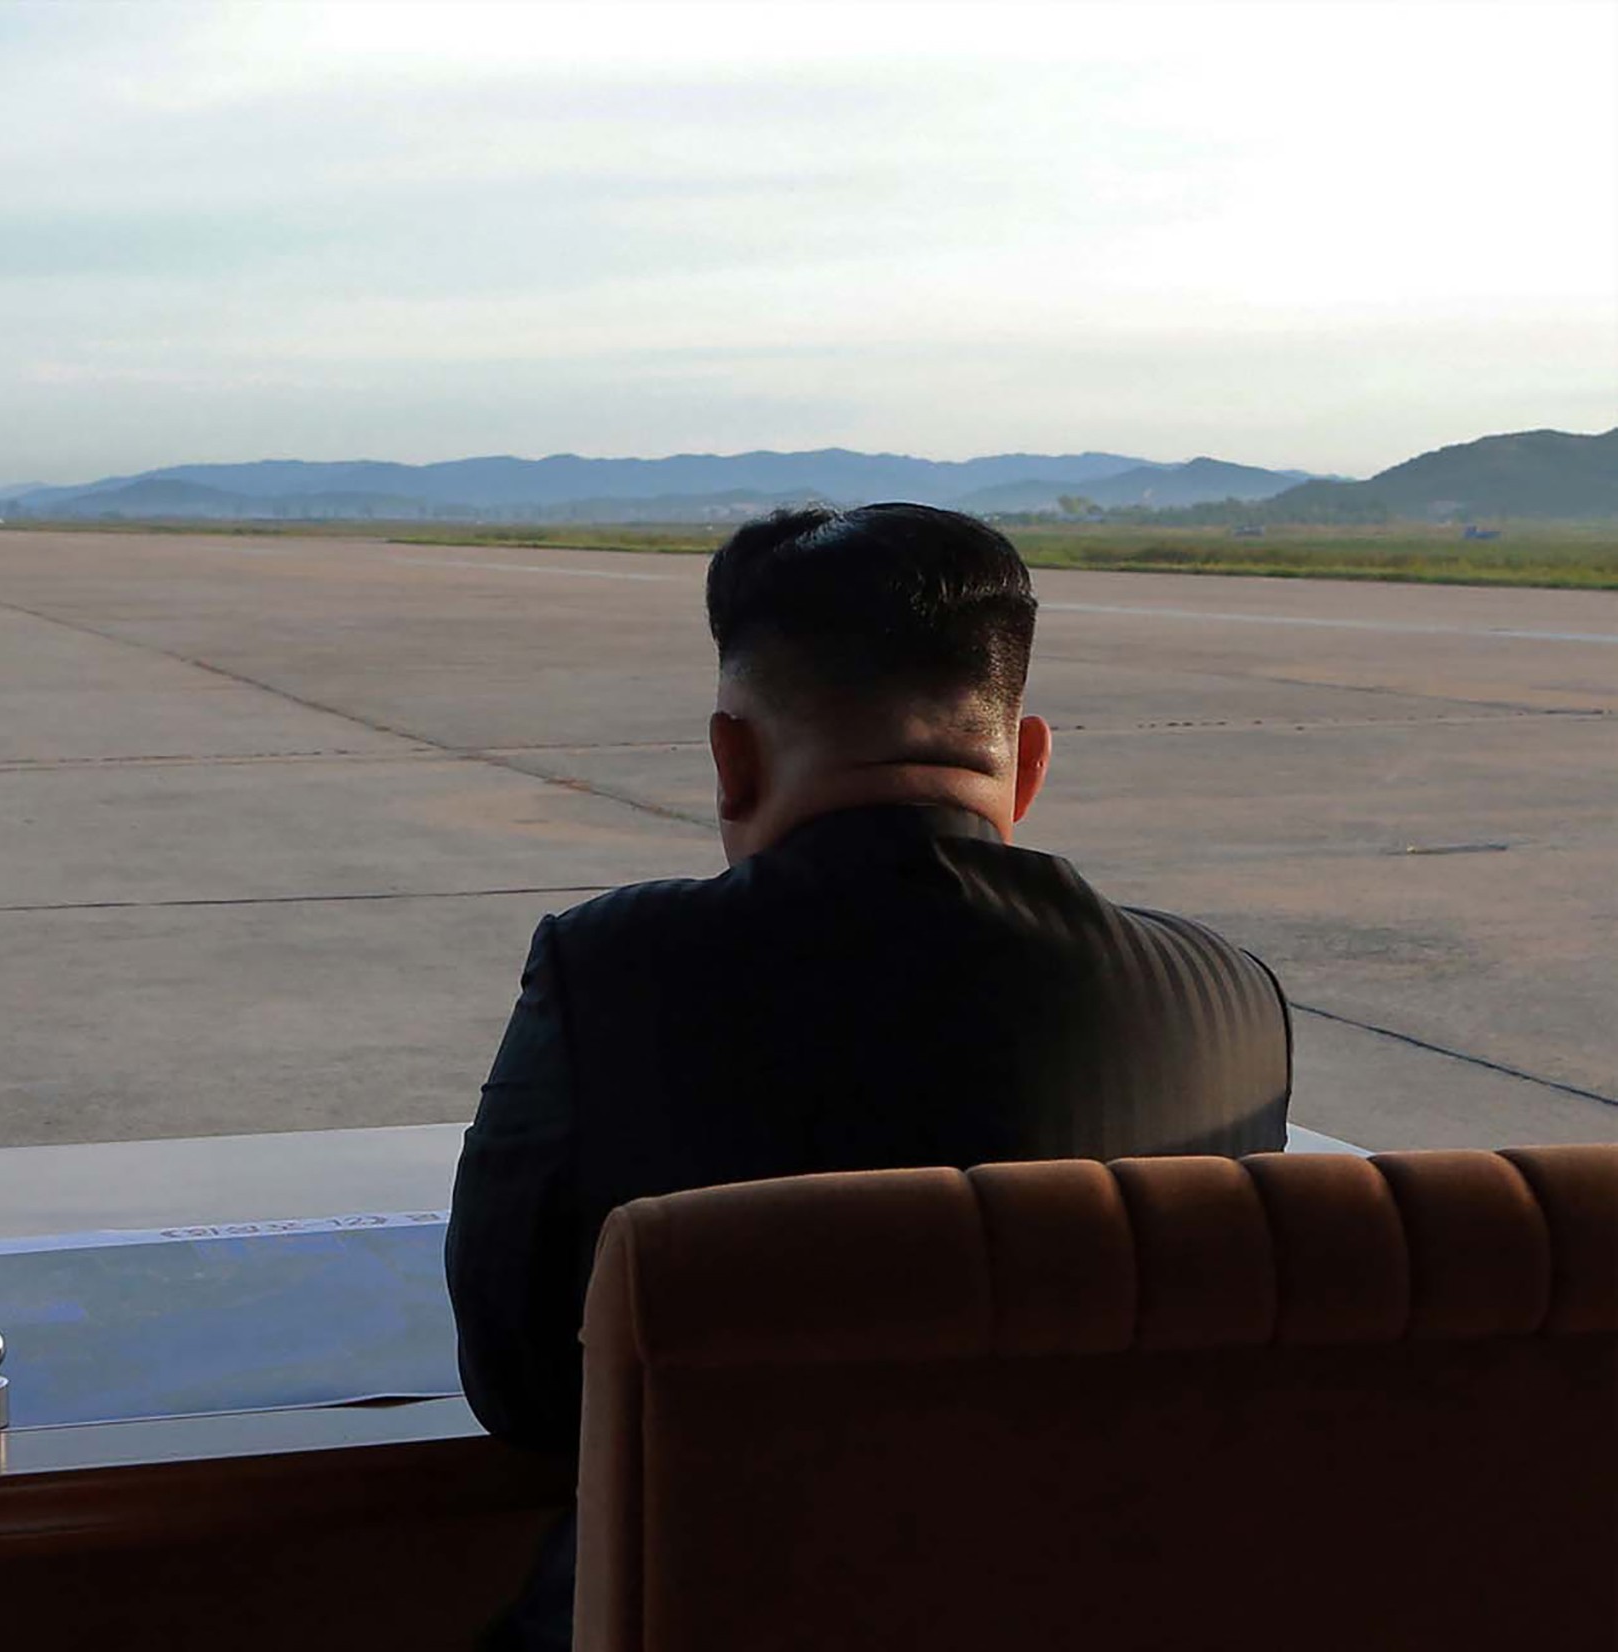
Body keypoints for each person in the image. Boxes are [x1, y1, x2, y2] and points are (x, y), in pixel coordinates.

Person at [446, 503, 1292, 1648]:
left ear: (729, 757)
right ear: (1027, 761)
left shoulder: (613, 968)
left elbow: (525, 1390)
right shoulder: (1230, 998)